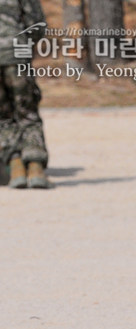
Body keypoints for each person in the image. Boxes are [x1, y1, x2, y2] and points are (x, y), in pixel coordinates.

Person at [0, 0, 49, 189]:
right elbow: (36, 23)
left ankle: (15, 167)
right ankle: (35, 168)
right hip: (15, 52)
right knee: (27, 114)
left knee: (3, 118)